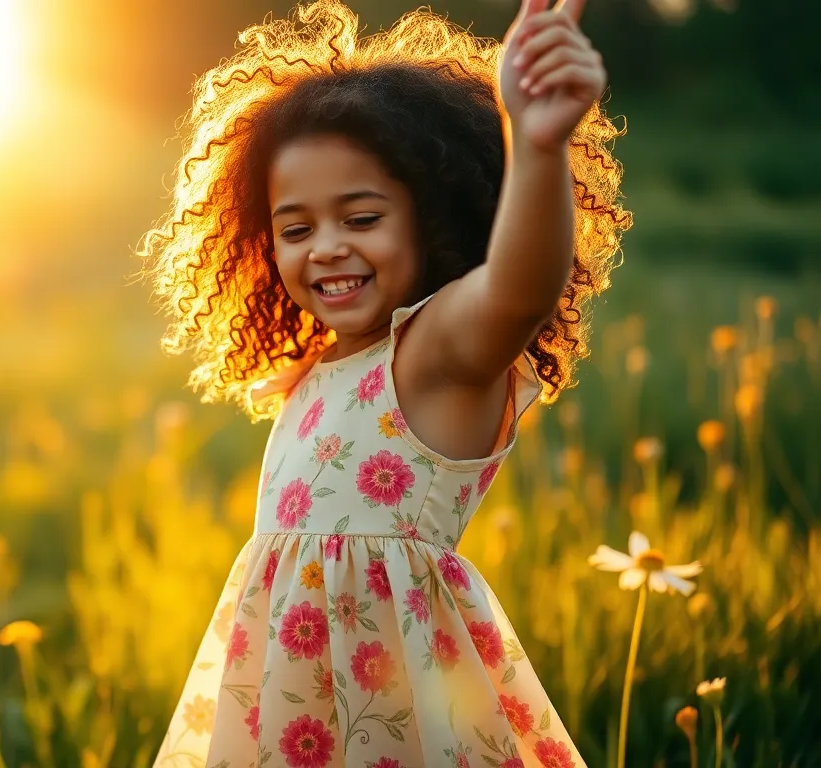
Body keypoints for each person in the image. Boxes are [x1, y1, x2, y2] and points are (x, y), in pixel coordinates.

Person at [137, 0, 630, 765]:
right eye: (296, 229)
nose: (327, 247)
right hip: (293, 706)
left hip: (403, 712)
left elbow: (519, 287)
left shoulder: (435, 353)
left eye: (361, 218)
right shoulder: (322, 366)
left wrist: (535, 142)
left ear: (432, 220)